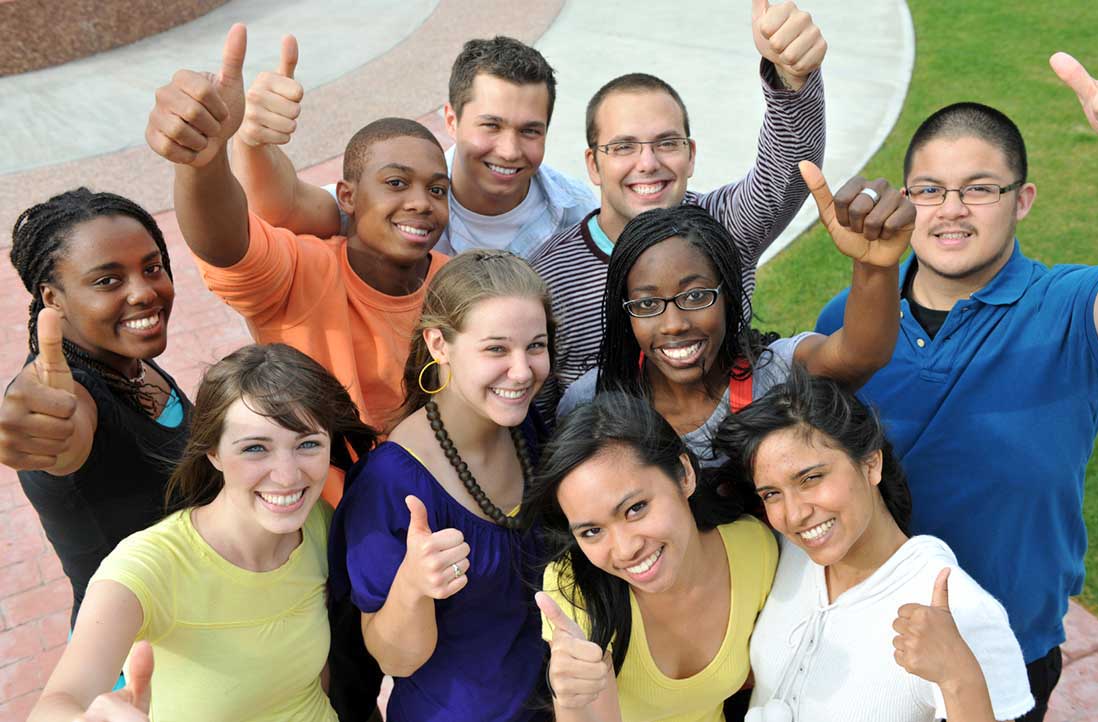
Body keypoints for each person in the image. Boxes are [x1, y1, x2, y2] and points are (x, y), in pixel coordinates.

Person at [813, 56, 1098, 721]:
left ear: (1023, 199)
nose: (950, 211)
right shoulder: (848, 321)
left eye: (980, 189)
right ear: (903, 198)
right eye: (928, 190)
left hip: (1004, 656)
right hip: (866, 643)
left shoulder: (1073, 312)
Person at [145, 24, 449, 466]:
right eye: (397, 183)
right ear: (347, 196)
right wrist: (203, 161)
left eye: (437, 190)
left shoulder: (454, 286)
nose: (421, 203)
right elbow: (227, 244)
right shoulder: (304, 272)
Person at [27, 343, 377, 722]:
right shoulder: (147, 567)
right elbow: (57, 702)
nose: (288, 475)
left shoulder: (319, 524)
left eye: (308, 444)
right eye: (256, 448)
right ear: (213, 452)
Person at [530, 0, 828, 416]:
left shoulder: (722, 225)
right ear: (593, 164)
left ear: (690, 155)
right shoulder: (548, 276)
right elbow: (538, 413)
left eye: (666, 143)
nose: (647, 163)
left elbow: (789, 167)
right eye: (623, 147)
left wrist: (792, 81)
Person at [713, 368, 1034, 722]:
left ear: (871, 463)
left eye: (811, 478)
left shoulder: (962, 610)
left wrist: (959, 679)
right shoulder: (788, 554)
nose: (794, 514)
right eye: (772, 493)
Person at [557, 164, 912, 467]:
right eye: (647, 304)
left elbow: (860, 354)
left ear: (728, 296)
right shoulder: (591, 401)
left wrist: (874, 267)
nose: (675, 324)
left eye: (695, 296)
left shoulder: (775, 374)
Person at [329, 250, 555, 721]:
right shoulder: (389, 484)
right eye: (496, 348)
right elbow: (393, 660)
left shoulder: (527, 426)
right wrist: (413, 585)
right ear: (439, 344)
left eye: (535, 345)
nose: (522, 370)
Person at [1, 188, 189, 634]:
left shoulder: (123, 357)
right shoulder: (69, 393)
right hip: (133, 655)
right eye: (108, 281)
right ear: (53, 298)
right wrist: (40, 435)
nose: (144, 292)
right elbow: (64, 433)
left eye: (152, 267)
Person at [525, 392, 778, 722]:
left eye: (635, 509)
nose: (625, 548)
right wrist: (573, 698)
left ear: (684, 474)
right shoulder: (574, 584)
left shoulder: (754, 548)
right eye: (591, 531)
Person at [233, 34, 596, 257]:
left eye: (530, 131)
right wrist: (253, 142)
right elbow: (285, 209)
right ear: (451, 120)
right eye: (491, 125)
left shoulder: (579, 213)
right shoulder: (399, 195)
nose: (509, 150)